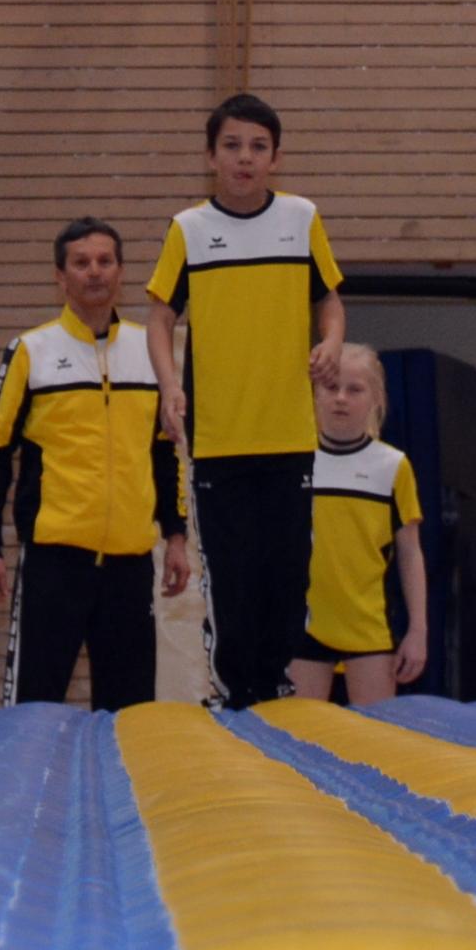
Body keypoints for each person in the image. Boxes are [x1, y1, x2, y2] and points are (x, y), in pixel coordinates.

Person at [143, 93, 343, 710]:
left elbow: (329, 300)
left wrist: (332, 341)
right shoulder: (189, 229)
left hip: (288, 432)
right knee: (231, 573)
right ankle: (234, 690)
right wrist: (170, 384)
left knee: (286, 570)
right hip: (220, 436)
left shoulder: (302, 218)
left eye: (258, 147)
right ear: (211, 156)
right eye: (231, 146)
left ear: (275, 157)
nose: (245, 158)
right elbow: (159, 318)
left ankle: (273, 682)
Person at [0, 218, 189, 710]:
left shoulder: (149, 353)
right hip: (54, 564)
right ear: (60, 276)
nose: (95, 272)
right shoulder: (31, 351)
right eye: (81, 263)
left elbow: (165, 450)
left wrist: (176, 534)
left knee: (130, 721)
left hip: (130, 567)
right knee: (35, 713)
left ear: (121, 272)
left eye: (105, 261)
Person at [288, 345, 425, 708]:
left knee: (375, 735)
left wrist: (418, 630)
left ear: (376, 398)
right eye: (331, 388)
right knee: (300, 734)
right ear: (314, 394)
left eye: (354, 389)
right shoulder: (295, 461)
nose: (341, 398)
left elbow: (410, 553)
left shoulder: (393, 466)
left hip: (368, 629)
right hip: (305, 627)